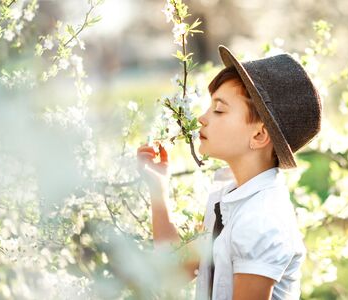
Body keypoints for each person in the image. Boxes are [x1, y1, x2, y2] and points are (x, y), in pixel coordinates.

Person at [137, 45, 322, 300]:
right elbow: (174, 271)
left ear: (258, 135)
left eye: (219, 110)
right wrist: (158, 189)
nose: (202, 118)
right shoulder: (230, 199)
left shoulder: (260, 220)